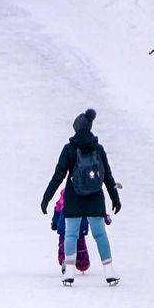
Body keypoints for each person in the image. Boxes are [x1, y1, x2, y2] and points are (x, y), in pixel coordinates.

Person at [40, 109, 122, 287]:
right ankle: (109, 271)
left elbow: (58, 175)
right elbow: (107, 175)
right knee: (100, 234)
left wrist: (46, 197)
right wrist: (115, 198)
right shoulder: (98, 148)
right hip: (95, 197)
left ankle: (69, 272)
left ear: (76, 129)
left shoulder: (69, 149)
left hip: (74, 197)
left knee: (71, 234)